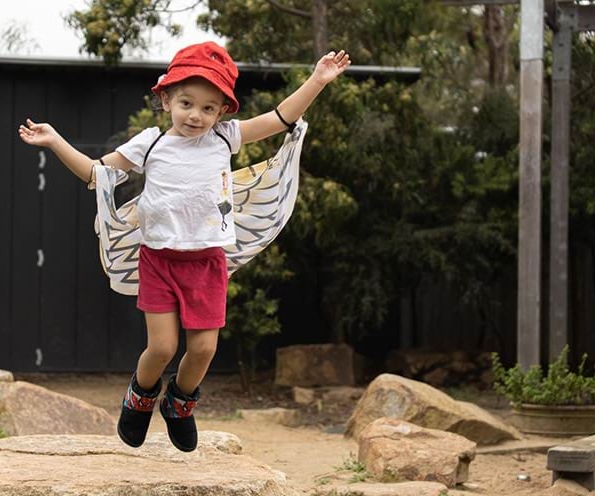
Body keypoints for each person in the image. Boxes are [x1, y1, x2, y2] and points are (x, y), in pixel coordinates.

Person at [18, 41, 350, 452]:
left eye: (209, 108)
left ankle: (178, 404)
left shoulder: (226, 138)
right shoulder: (150, 144)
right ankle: (139, 398)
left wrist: (317, 80)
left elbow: (280, 117)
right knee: (161, 347)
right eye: (187, 103)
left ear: (222, 112)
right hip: (158, 259)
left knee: (204, 348)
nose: (196, 115)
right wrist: (55, 141)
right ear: (166, 99)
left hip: (207, 262)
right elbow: (94, 174)